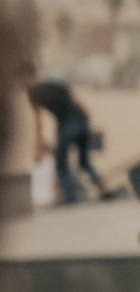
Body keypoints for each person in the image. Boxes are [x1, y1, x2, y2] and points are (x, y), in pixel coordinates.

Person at [28, 78, 106, 206]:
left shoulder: (33, 93)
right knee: (84, 161)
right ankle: (102, 188)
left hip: (66, 125)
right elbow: (78, 101)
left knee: (60, 164)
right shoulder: (53, 83)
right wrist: (89, 124)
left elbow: (39, 123)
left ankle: (71, 198)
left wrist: (37, 149)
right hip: (82, 121)